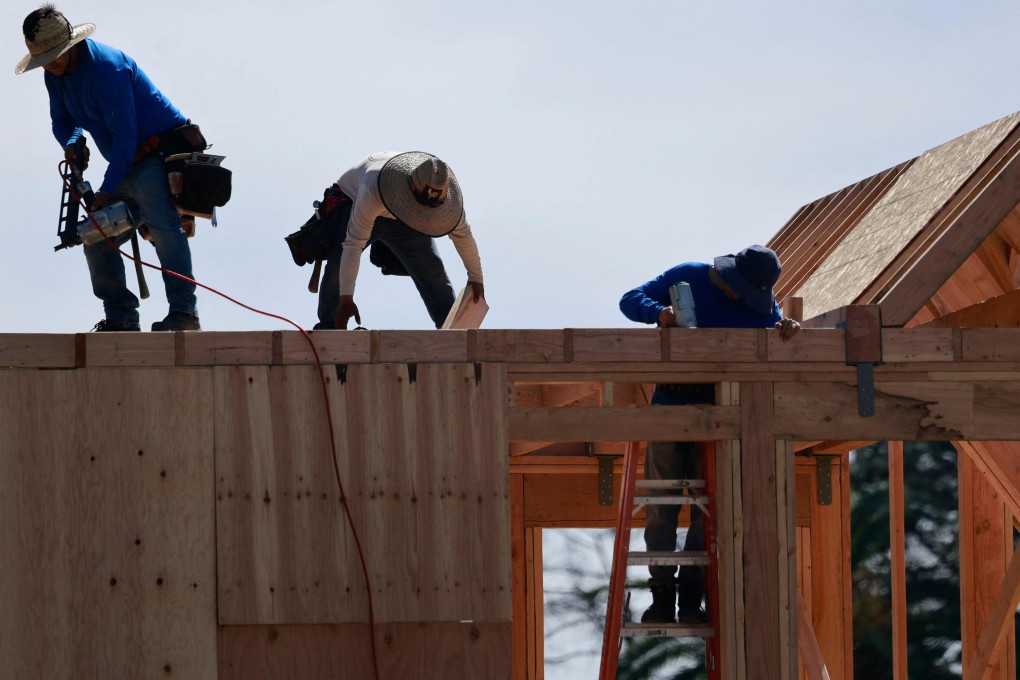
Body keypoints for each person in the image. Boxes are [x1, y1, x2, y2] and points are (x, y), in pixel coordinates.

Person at [618, 244, 800, 625]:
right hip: (671, 403)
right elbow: (629, 299)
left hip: (722, 413)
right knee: (662, 503)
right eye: (742, 291)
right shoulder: (689, 276)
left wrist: (787, 329)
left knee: (708, 508)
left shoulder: (760, 303)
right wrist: (659, 314)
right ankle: (662, 594)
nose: (745, 300)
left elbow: (774, 324)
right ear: (731, 277)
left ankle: (690, 597)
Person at [17, 6, 202, 332]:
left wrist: (105, 190)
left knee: (163, 226)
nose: (50, 64)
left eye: (55, 56)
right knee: (96, 235)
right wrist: (74, 144)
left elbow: (126, 137)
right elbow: (62, 123)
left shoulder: (107, 69)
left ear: (71, 45)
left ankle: (184, 313)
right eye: (44, 59)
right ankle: (121, 318)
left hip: (157, 155)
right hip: (126, 164)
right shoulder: (54, 74)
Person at [312, 151, 484, 330]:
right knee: (337, 264)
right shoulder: (373, 187)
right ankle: (330, 328)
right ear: (410, 190)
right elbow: (353, 244)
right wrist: (346, 300)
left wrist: (476, 279)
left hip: (405, 222)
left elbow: (463, 236)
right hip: (356, 203)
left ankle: (453, 333)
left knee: (432, 272)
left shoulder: (447, 199)